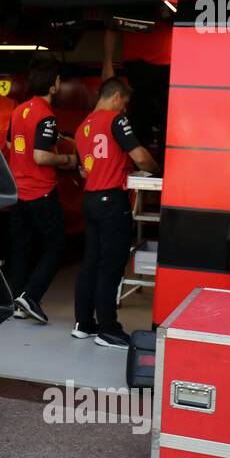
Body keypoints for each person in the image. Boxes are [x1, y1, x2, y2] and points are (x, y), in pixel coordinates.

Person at [73, 78, 159, 350]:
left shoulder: (81, 127)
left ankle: (84, 323)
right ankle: (108, 329)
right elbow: (141, 157)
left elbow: (84, 170)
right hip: (113, 202)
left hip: (91, 199)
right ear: (116, 97)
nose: (125, 109)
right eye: (124, 103)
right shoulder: (115, 120)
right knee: (110, 266)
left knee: (91, 263)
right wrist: (158, 169)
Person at [7, 58, 77, 324]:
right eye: (58, 80)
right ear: (53, 86)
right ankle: (32, 296)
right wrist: (67, 161)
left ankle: (17, 300)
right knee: (57, 246)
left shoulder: (19, 110)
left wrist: (56, 139)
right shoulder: (46, 114)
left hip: (18, 191)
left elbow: (11, 143)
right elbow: (40, 156)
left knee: (21, 247)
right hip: (40, 191)